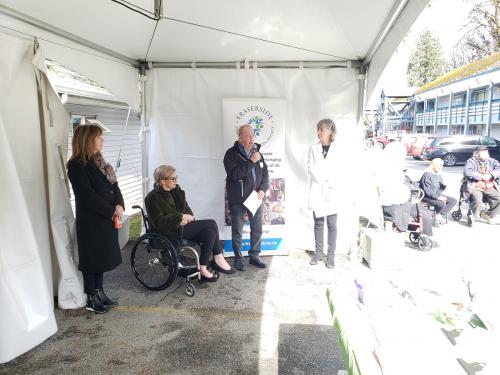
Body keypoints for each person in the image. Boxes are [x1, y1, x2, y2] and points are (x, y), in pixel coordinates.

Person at [66, 124, 124, 314]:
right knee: (91, 259)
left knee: (102, 257)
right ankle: (91, 297)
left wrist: (119, 204)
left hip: (105, 218)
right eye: (99, 137)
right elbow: (87, 196)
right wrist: (110, 211)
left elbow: (114, 186)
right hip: (91, 221)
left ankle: (100, 292)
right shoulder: (76, 165)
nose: (102, 140)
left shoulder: (99, 161)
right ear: (87, 140)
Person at [145, 165, 235, 280]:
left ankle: (202, 267)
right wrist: (179, 218)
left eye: (176, 177)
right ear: (162, 181)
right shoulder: (152, 198)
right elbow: (158, 222)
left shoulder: (176, 191)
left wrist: (185, 218)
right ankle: (218, 257)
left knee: (210, 232)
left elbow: (188, 211)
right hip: (168, 232)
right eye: (173, 179)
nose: (176, 181)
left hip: (183, 227)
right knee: (211, 223)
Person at [223, 124, 269, 271]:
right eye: (248, 135)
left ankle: (255, 256)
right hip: (238, 198)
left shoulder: (257, 153)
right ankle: (238, 259)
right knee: (237, 230)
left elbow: (265, 173)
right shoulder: (230, 154)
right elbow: (235, 175)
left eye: (253, 135)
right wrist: (251, 161)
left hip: (255, 197)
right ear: (240, 137)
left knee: (257, 228)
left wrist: (262, 189)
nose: (251, 138)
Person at [307, 119, 339, 268]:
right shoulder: (313, 148)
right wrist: (322, 179)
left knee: (332, 224)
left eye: (322, 129)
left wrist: (329, 181)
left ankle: (331, 255)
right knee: (318, 223)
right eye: (318, 129)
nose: (319, 132)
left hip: (333, 191)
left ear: (330, 131)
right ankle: (318, 253)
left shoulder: (338, 149)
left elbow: (341, 170)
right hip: (318, 189)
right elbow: (310, 167)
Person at [463, 145, 500, 223]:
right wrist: (481, 176)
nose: (485, 153)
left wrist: (491, 175)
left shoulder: (492, 161)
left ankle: (489, 214)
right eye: (482, 152)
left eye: (486, 152)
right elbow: (467, 172)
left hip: (488, 185)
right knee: (477, 199)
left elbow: (498, 169)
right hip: (474, 185)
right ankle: (476, 214)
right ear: (476, 153)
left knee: (498, 198)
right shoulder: (471, 161)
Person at [419, 158, 457, 224]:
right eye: (438, 165)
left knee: (453, 201)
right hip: (426, 197)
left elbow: (439, 190)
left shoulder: (438, 175)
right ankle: (433, 218)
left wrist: (443, 187)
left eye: (441, 165)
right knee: (441, 203)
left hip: (436, 195)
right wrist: (438, 197)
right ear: (433, 165)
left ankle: (438, 215)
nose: (440, 167)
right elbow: (427, 191)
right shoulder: (427, 174)